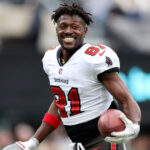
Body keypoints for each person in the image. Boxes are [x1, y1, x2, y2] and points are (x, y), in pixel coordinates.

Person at [3, 3, 141, 150]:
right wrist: (34, 141)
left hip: (103, 140)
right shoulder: (50, 58)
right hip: (79, 143)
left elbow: (126, 99)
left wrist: (135, 125)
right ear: (56, 29)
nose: (68, 31)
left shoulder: (94, 58)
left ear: (85, 31)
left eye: (75, 27)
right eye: (63, 26)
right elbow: (61, 102)